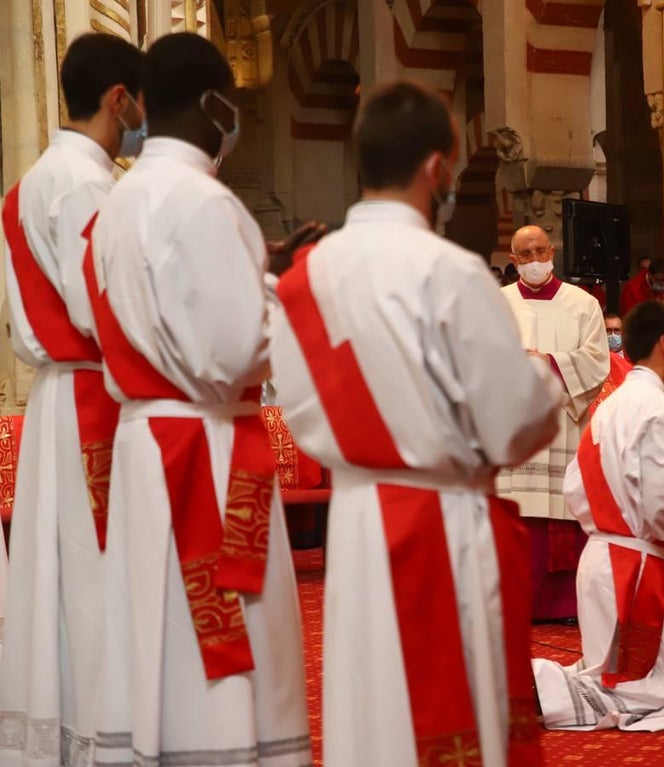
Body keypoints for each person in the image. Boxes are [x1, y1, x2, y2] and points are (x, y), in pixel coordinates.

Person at [271, 81, 560, 766]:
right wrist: (544, 384)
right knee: (451, 714)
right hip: (443, 518)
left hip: (358, 519)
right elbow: (512, 419)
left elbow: (298, 399)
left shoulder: (303, 280)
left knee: (369, 710)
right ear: (437, 167)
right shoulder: (451, 271)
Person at [84, 33, 311, 766]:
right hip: (209, 449)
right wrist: (283, 292)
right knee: (227, 632)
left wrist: (256, 275)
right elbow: (235, 351)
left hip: (147, 442)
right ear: (216, 103)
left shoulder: (118, 200)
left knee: (155, 631)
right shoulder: (206, 201)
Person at [0, 32, 143, 764]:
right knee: (98, 574)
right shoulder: (92, 184)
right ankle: (104, 732)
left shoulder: (28, 181)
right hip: (99, 392)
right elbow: (108, 308)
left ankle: (64, 732)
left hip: (59, 394)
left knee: (60, 576)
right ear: (120, 97)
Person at [532, 302, 664, 731]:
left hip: (605, 555)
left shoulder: (610, 404)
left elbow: (580, 485)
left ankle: (525, 689)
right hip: (633, 569)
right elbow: (662, 505)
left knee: (639, 681)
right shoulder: (658, 409)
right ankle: (529, 691)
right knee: (638, 693)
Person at [497, 224, 610, 621]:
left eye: (540, 252)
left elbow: (598, 361)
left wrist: (547, 363)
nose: (533, 261)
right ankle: (516, 602)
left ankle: (564, 604)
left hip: (563, 418)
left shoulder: (582, 304)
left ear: (553, 251)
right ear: (513, 260)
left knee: (562, 513)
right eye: (524, 255)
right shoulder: (497, 303)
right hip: (516, 424)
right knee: (518, 513)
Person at [588, 312, 632, 419]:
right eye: (608, 331)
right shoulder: (591, 361)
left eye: (617, 331)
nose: (612, 335)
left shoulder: (635, 361)